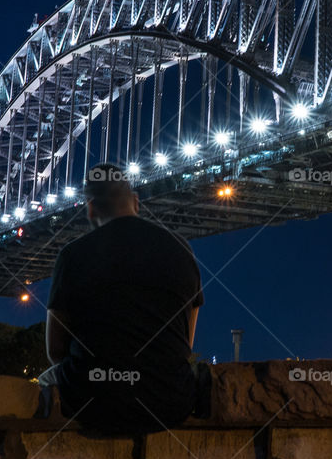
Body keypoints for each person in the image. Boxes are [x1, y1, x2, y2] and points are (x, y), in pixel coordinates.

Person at [38, 162, 207, 432]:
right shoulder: (181, 248)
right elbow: (185, 343)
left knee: (44, 383)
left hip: (90, 403)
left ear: (90, 208)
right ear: (136, 202)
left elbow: (55, 351)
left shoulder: (72, 255)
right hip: (171, 402)